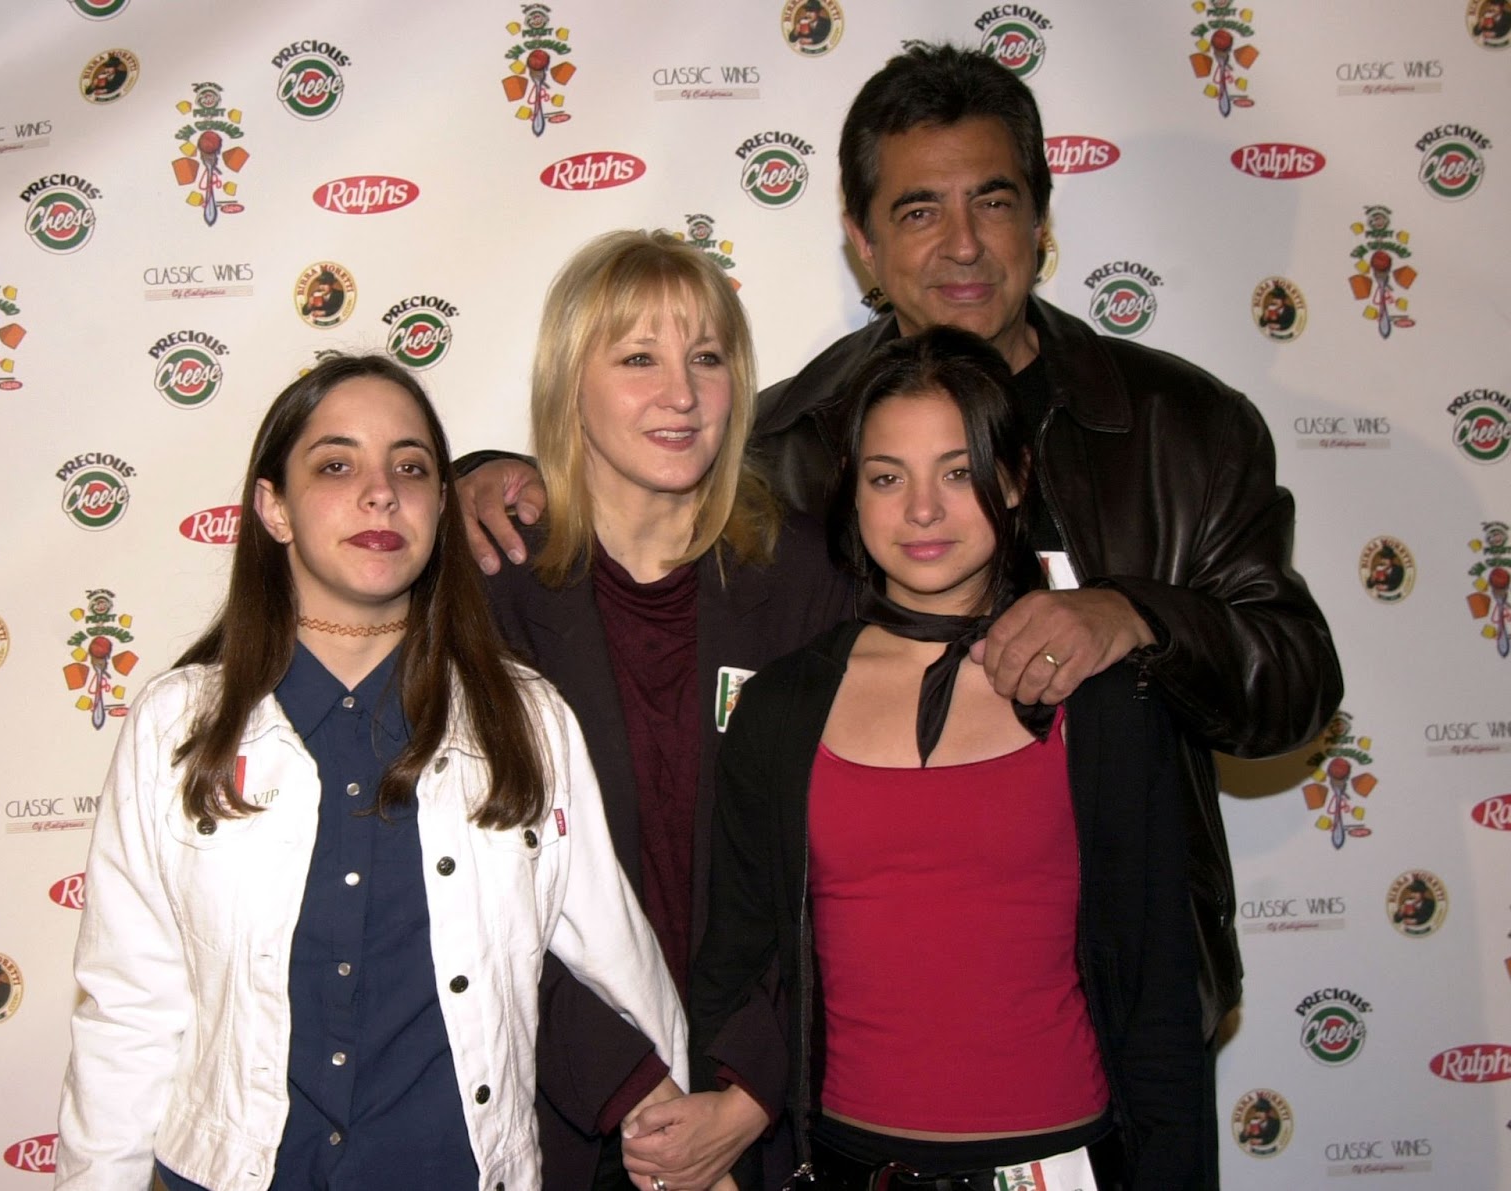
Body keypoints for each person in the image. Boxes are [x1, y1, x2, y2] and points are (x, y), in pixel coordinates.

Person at [457, 42, 1342, 1058]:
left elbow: (1292, 688)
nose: (961, 245)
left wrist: (1135, 615)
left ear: (1042, 222)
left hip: (1126, 994)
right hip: (878, 1016)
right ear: (862, 244)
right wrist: (488, 472)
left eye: (994, 202)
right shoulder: (787, 448)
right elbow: (633, 502)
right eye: (919, 211)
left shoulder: (1181, 428)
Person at [54, 354, 685, 1191]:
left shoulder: (526, 721)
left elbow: (623, 962)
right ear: (272, 508)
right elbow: (128, 1010)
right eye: (337, 464)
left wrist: (685, 1146)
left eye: (412, 467)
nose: (381, 491)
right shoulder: (178, 726)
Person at [691, 326, 1205, 1190]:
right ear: (851, 496)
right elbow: (733, 969)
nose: (921, 509)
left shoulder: (1103, 696)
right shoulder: (780, 708)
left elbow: (1158, 998)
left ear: (1015, 480)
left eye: (959, 471)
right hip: (851, 1165)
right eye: (888, 477)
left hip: (1069, 1163)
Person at [483, 230, 852, 1189]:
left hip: (770, 1118)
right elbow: (476, 891)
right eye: (638, 358)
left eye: (707, 358)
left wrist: (745, 1093)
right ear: (571, 382)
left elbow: (843, 869)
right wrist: (640, 1101)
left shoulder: (812, 576)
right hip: (571, 1115)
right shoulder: (489, 591)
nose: (681, 395)